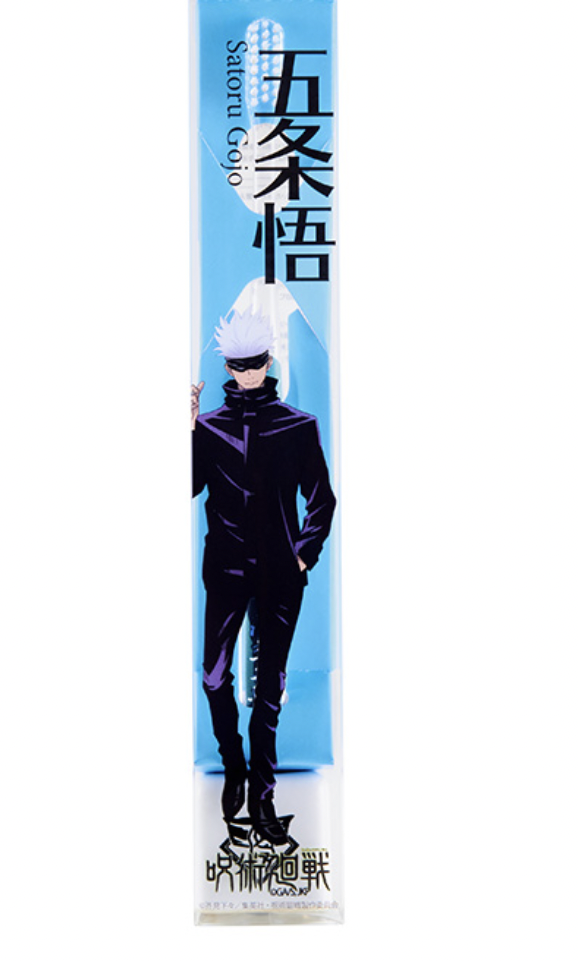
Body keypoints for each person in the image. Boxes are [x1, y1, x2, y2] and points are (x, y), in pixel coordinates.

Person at [192, 310, 336, 844]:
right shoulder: (210, 428)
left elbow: (322, 499)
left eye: (255, 363)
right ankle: (234, 765)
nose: (249, 373)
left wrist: (301, 556)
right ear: (228, 367)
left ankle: (263, 795)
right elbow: (187, 485)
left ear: (269, 361)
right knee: (214, 677)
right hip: (226, 569)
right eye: (239, 365)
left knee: (270, 688)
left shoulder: (298, 426)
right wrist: (187, 432)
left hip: (279, 573)